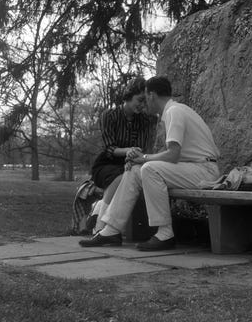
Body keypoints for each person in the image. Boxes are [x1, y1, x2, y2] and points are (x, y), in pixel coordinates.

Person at [79, 76, 220, 250]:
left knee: (149, 168)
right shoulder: (174, 111)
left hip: (204, 171)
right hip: (193, 167)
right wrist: (139, 161)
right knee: (135, 170)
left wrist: (144, 158)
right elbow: (172, 154)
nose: (145, 103)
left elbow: (173, 155)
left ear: (152, 95)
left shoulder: (173, 111)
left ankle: (165, 234)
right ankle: (111, 230)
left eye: (145, 98)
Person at [83, 77, 157, 232]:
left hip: (132, 162)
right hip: (107, 163)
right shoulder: (109, 115)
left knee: (129, 174)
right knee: (121, 176)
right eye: (140, 100)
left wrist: (134, 157)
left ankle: (98, 209)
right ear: (129, 95)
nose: (142, 105)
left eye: (145, 102)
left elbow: (142, 148)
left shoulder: (145, 120)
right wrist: (128, 151)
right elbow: (109, 148)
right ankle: (100, 227)